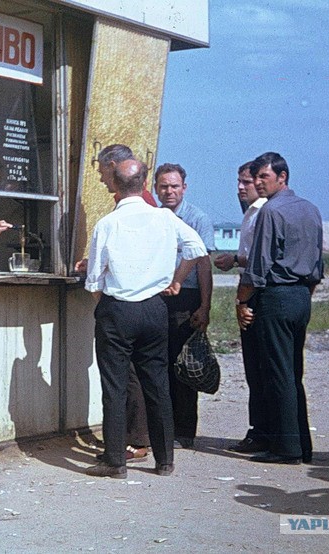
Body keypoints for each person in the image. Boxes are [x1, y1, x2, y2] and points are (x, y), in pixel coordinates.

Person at [84, 158, 207, 479]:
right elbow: (197, 249)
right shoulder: (165, 218)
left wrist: (106, 304)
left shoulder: (108, 224)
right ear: (145, 183)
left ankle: (115, 461)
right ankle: (164, 460)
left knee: (115, 386)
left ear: (115, 183)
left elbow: (94, 279)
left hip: (117, 308)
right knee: (157, 383)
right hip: (154, 308)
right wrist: (176, 279)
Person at [236, 152, 323, 465]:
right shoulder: (310, 209)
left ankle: (286, 447)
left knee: (278, 373)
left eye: (265, 177)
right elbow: (317, 262)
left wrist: (242, 300)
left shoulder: (271, 211)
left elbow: (258, 266)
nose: (259, 183)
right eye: (256, 177)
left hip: (277, 295)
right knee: (293, 371)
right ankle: (301, 444)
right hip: (301, 295)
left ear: (282, 177)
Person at [79, 145, 155, 461]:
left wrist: (102, 298)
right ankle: (133, 439)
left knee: (129, 375)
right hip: (143, 305)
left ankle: (135, 440)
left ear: (113, 166)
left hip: (127, 303)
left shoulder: (137, 204)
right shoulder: (133, 203)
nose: (100, 179)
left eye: (101, 171)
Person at [154, 163, 214, 449]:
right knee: (160, 364)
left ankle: (185, 431)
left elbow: (204, 266)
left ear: (184, 188)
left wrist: (205, 306)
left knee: (184, 365)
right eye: (164, 186)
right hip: (158, 298)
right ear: (156, 189)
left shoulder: (197, 219)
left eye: (174, 186)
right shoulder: (154, 218)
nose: (169, 191)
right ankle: (162, 429)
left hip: (187, 297)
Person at [214, 162, 269, 452]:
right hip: (254, 289)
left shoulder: (262, 212)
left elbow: (261, 259)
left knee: (260, 369)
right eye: (239, 181)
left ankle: (263, 432)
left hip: (257, 293)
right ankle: (260, 430)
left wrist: (242, 299)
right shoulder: (251, 212)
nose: (240, 187)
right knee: (255, 369)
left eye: (246, 182)